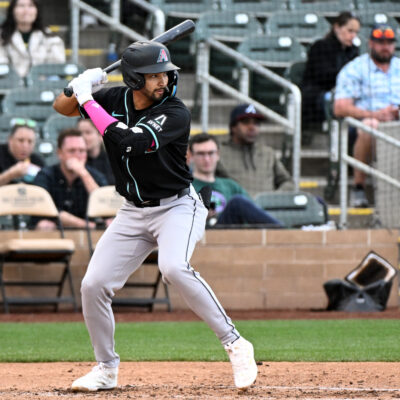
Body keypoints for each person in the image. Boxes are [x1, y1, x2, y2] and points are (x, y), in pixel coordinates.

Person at [52, 41, 258, 392]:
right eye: (152, 75)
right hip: (133, 211)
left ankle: (236, 343)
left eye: (164, 72)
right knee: (93, 285)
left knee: (174, 267)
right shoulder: (116, 98)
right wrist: (79, 85)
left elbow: (130, 142)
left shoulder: (176, 112)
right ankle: (106, 368)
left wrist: (87, 99)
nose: (162, 79)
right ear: (134, 78)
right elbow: (62, 108)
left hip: (178, 206)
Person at [333, 23, 400, 207]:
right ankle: (359, 188)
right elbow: (339, 108)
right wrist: (376, 114)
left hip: (397, 123)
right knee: (370, 125)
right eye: (380, 42)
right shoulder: (355, 68)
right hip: (366, 125)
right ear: (371, 43)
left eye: (389, 42)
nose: (385, 46)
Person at [189, 133, 284, 228]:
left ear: (218, 154)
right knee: (237, 203)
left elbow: (253, 213)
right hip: (198, 233)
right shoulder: (186, 187)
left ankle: (285, 233)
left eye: (211, 153)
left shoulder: (231, 186)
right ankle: (287, 232)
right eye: (201, 154)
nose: (206, 159)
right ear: (191, 156)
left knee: (238, 203)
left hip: (230, 233)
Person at [33, 128, 107, 230]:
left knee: (110, 223)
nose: (77, 156)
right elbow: (47, 210)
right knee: (45, 225)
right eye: (72, 151)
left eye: (81, 151)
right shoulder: (46, 175)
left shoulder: (94, 176)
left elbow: (105, 206)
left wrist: (83, 174)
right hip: (59, 228)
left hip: (89, 231)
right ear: (60, 153)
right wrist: (88, 225)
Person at [218, 103, 295, 197]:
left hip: (266, 208)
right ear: (233, 127)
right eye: (246, 122)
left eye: (256, 123)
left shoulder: (267, 153)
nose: (252, 127)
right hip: (235, 207)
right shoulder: (219, 152)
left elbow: (287, 182)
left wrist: (274, 197)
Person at [301, 11, 360, 127]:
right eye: (350, 31)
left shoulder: (353, 51)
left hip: (346, 92)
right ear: (337, 28)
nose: (353, 36)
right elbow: (322, 76)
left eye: (356, 32)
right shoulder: (320, 46)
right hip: (318, 94)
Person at [0, 0, 66, 78]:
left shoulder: (51, 38)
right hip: (10, 86)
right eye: (21, 6)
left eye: (31, 6)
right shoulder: (2, 36)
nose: (26, 10)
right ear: (12, 10)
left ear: (37, 10)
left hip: (43, 86)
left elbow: (57, 67)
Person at [0, 119, 44, 186]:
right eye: (21, 140)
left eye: (30, 141)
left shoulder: (37, 162)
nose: (25, 146)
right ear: (10, 140)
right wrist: (10, 174)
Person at [77, 118, 115, 185]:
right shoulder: (76, 162)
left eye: (88, 132)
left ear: (100, 135)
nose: (82, 137)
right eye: (79, 133)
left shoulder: (112, 161)